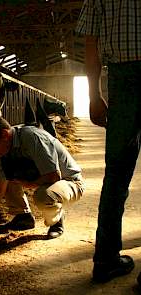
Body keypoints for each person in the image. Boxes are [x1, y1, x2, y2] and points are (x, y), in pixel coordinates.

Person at [76, 0, 141, 284]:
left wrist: (94, 94)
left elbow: (92, 45)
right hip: (122, 78)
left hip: (122, 80)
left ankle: (104, 260)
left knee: (115, 175)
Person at [0, 116, 84, 238]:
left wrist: (31, 184)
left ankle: (56, 220)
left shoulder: (32, 138)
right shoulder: (4, 154)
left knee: (44, 196)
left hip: (69, 182)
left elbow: (54, 176)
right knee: (8, 175)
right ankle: (23, 217)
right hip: (44, 177)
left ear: (4, 134)